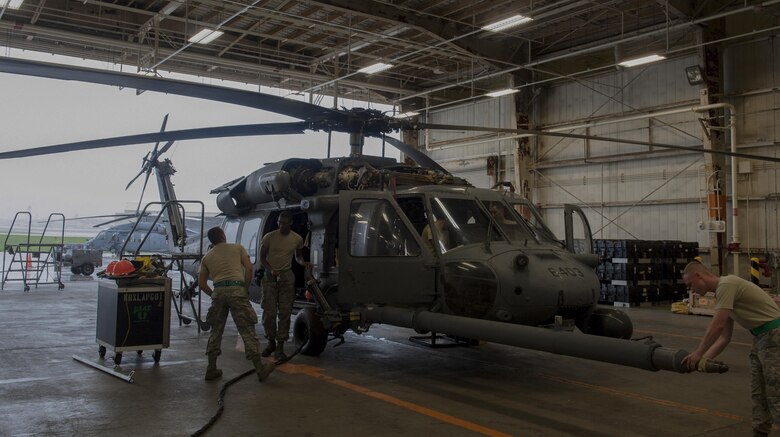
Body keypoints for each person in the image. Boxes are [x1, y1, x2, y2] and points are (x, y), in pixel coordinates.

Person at [681, 262, 780, 436]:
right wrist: (701, 361)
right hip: (761, 339)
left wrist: (698, 353)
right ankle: (760, 433)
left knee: (775, 394)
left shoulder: (727, 285)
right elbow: (724, 338)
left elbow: (717, 326)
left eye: (690, 285)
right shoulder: (722, 295)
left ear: (699, 276)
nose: (692, 290)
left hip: (774, 337)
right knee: (759, 393)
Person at [198, 226, 275, 382]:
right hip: (236, 289)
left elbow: (201, 283)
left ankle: (211, 369)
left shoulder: (207, 257)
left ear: (212, 241)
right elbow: (249, 269)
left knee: (216, 331)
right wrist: (244, 289)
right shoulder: (238, 248)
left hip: (218, 291)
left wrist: (214, 295)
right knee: (247, 329)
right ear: (223, 236)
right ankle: (260, 369)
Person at [259, 211, 310, 361]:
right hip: (270, 277)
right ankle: (271, 342)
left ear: (291, 223)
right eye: (279, 222)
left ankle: (280, 346)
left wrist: (303, 263)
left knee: (285, 312)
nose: (281, 225)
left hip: (287, 277)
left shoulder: (297, 239)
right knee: (269, 312)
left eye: (284, 223)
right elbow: (262, 258)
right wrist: (271, 269)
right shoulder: (269, 237)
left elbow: (298, 256)